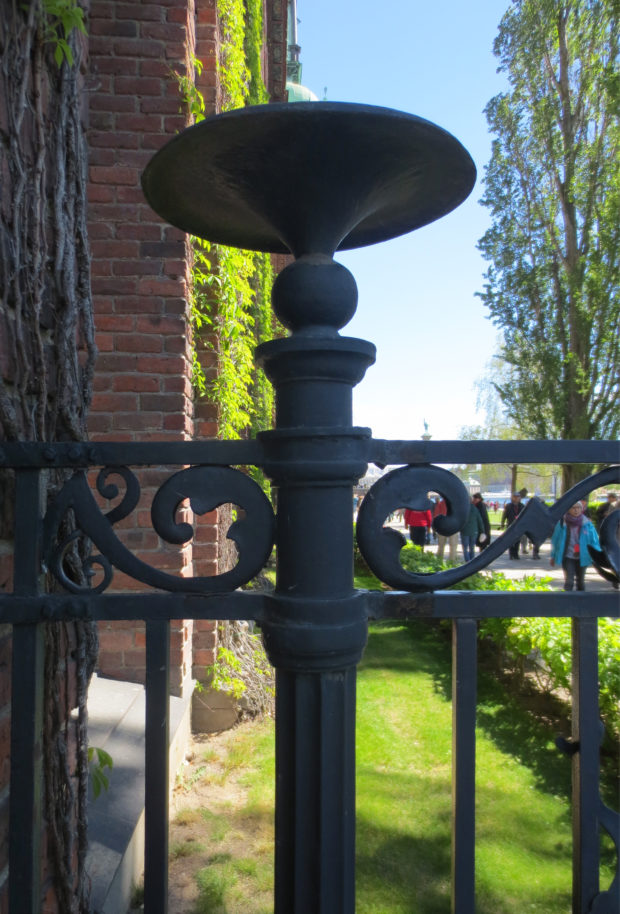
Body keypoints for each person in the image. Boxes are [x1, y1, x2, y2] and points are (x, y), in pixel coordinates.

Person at [550, 502, 600, 591]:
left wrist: (597, 556)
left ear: (582, 509)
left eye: (578, 508)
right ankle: (567, 601)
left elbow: (594, 541)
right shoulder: (562, 523)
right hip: (568, 556)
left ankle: (581, 601)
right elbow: (555, 540)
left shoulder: (587, 524)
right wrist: (553, 556)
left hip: (582, 556)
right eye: (573, 508)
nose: (576, 510)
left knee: (580, 582)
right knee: (569, 581)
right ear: (568, 510)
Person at [433, 497, 458, 563]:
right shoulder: (455, 504)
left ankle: (439, 560)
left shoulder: (440, 504)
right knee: (453, 546)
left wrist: (436, 527)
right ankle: (452, 561)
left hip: (442, 526)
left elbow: (436, 516)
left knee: (441, 545)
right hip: (453, 527)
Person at [460, 498, 484, 562]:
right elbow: (480, 521)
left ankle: (467, 561)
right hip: (474, 531)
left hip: (465, 531)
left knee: (465, 548)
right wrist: (482, 531)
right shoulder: (475, 509)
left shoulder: (463, 509)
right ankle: (472, 561)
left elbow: (460, 521)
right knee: (472, 547)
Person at [501, 493, 524, 559]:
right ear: (512, 498)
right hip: (510, 525)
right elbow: (504, 515)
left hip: (519, 526)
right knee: (510, 540)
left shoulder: (522, 506)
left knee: (517, 540)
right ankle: (511, 554)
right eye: (515, 497)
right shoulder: (508, 506)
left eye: (518, 497)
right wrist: (502, 524)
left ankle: (516, 553)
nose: (516, 499)